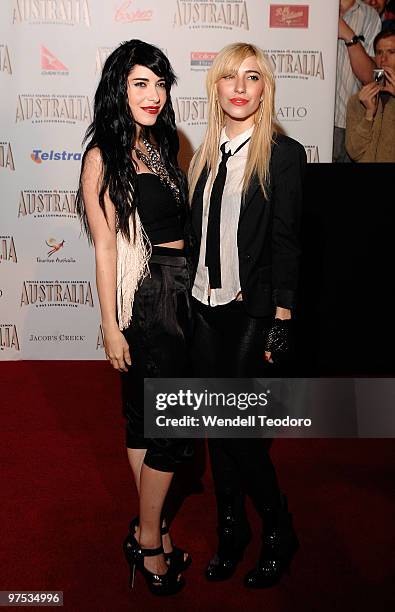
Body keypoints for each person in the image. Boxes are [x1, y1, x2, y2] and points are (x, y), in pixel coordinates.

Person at [76, 39, 192, 596]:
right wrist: (110, 325)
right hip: (148, 299)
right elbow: (104, 247)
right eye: (141, 83)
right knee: (167, 427)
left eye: (160, 83)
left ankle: (152, 529)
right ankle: (149, 541)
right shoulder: (104, 156)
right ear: (118, 89)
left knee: (148, 420)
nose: (154, 95)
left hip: (183, 285)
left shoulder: (164, 144)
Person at [188, 42, 306, 588]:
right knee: (217, 427)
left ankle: (279, 528)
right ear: (216, 87)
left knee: (237, 428)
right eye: (229, 76)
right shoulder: (207, 153)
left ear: (265, 89)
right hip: (203, 305)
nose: (239, 86)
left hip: (250, 308)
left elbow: (286, 240)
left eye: (252, 77)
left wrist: (281, 319)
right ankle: (231, 529)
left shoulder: (283, 153)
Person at [334, 0, 381, 162]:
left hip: (351, 123)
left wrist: (348, 35)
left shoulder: (369, 15)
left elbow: (372, 77)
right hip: (309, 118)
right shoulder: (312, 8)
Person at [346, 27, 395, 161]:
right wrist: (368, 115)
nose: (383, 59)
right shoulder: (358, 100)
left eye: (391, 52)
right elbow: (354, 152)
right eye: (379, 52)